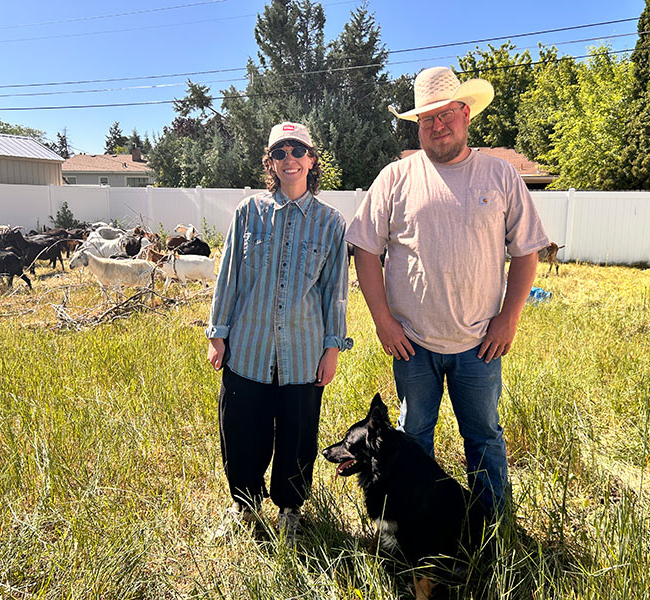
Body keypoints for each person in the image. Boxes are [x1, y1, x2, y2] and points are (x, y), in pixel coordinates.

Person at [345, 67, 549, 516]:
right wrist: (383, 321)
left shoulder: (500, 176)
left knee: (484, 437)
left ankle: (493, 530)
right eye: (426, 119)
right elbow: (363, 249)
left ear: (466, 114)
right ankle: (417, 525)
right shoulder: (395, 178)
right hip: (411, 345)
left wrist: (508, 318)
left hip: (480, 345)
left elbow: (527, 252)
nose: (437, 126)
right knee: (412, 439)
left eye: (445, 115)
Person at [206, 121, 352, 538]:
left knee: (297, 434)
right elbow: (229, 275)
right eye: (280, 152)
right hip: (247, 347)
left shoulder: (330, 223)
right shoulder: (248, 212)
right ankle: (245, 508)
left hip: (304, 351)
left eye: (297, 151)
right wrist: (218, 333)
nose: (289, 159)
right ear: (270, 161)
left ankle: (290, 510)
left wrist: (332, 348)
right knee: (241, 430)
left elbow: (335, 293)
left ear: (312, 159)